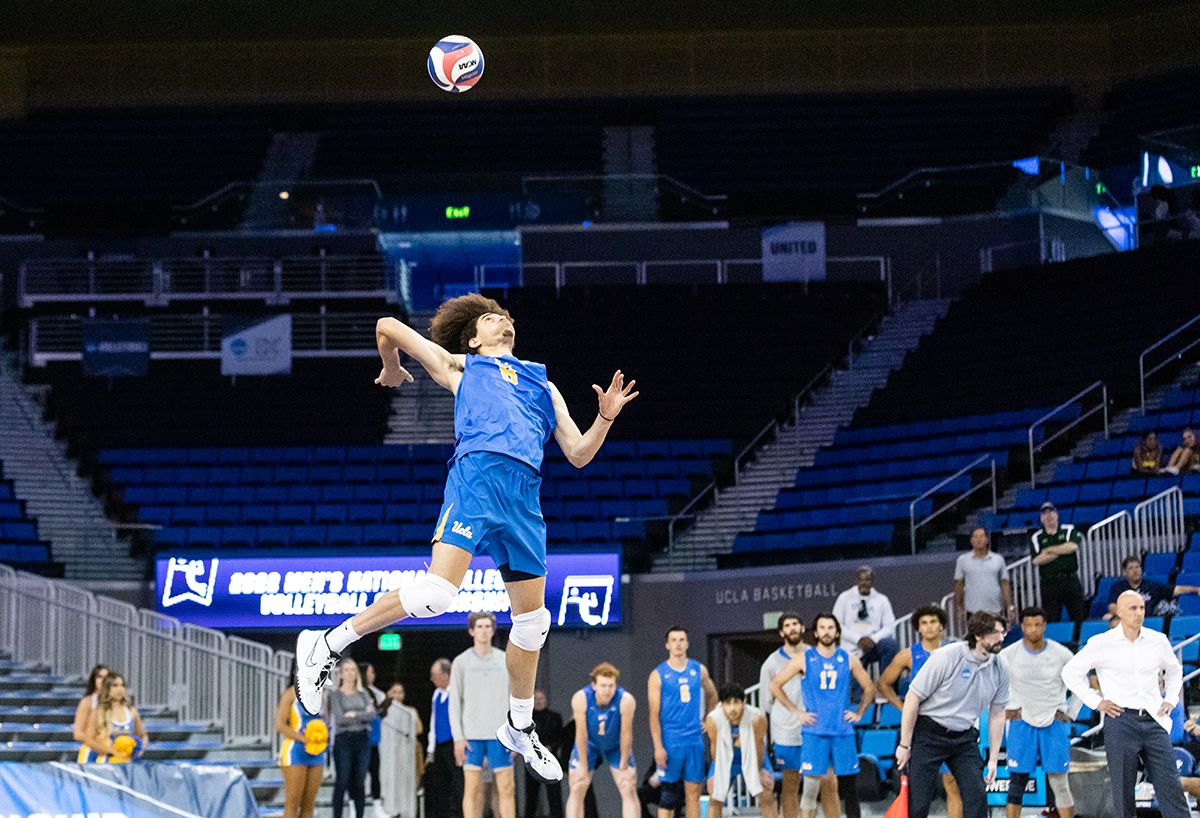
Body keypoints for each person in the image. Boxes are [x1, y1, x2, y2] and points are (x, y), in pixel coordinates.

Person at [296, 293, 638, 786]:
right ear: (475, 337)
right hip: (476, 482)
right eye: (491, 319)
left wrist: (604, 417)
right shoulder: (463, 368)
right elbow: (387, 324)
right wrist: (391, 367)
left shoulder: (546, 386)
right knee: (437, 594)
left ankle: (518, 725)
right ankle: (326, 644)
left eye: (507, 319)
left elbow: (580, 453)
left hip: (523, 498)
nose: (504, 323)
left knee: (533, 623)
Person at [1061, 590, 1189, 818]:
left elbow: (1174, 670)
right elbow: (1070, 672)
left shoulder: (1157, 640)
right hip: (1120, 720)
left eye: (1141, 607)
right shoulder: (1102, 642)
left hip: (1153, 719)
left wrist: (1170, 698)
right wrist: (1096, 702)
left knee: (1171, 786)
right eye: (1133, 608)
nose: (1139, 613)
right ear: (1119, 612)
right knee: (1122, 792)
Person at [894, 612, 1009, 818]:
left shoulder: (1001, 666)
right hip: (929, 733)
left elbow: (998, 713)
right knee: (918, 804)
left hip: (964, 737)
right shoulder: (947, 656)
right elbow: (913, 697)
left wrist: (992, 759)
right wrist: (905, 744)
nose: (1001, 638)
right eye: (995, 633)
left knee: (977, 797)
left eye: (1003, 632)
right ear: (978, 636)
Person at [769, 613, 873, 818]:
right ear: (815, 633)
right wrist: (796, 712)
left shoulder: (849, 659)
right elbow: (775, 685)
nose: (827, 632)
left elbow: (870, 687)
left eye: (831, 628)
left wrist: (859, 713)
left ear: (837, 632)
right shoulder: (804, 659)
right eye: (823, 628)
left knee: (850, 790)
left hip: (842, 731)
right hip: (815, 732)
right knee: (809, 791)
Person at [876, 605, 961, 818]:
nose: (929, 626)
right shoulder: (907, 656)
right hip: (920, 729)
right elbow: (884, 683)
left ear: (941, 626)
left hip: (949, 725)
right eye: (924, 623)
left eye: (933, 622)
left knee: (952, 784)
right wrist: (903, 708)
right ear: (918, 628)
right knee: (918, 790)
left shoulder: (955, 652)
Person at [999, 607, 1078, 818]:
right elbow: (991, 685)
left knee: (1059, 782)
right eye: (1029, 625)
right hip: (1021, 723)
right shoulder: (1007, 655)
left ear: (1044, 626)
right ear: (1022, 627)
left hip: (1054, 722)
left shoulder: (1062, 654)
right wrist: (1005, 709)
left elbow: (1081, 683)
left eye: (1038, 625)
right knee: (1017, 783)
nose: (1033, 630)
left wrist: (1070, 713)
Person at [758, 613, 838, 818]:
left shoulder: (817, 654)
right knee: (791, 783)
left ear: (803, 629)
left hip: (818, 728)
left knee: (828, 780)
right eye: (787, 625)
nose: (792, 628)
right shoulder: (771, 663)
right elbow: (766, 704)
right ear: (781, 632)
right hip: (787, 731)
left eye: (795, 624)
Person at [648, 625, 718, 818]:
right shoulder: (658, 674)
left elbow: (713, 696)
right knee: (668, 796)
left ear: (687, 643)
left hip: (694, 740)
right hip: (671, 740)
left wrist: (707, 718)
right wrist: (658, 747)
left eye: (681, 640)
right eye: (674, 640)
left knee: (694, 792)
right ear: (667, 645)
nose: (678, 644)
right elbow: (653, 715)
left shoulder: (699, 670)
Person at [451, 611, 515, 818]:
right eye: (479, 626)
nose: (484, 630)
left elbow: (515, 699)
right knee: (472, 789)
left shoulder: (505, 659)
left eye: (488, 626)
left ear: (493, 630)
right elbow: (455, 703)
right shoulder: (460, 662)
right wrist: (458, 738)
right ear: (471, 630)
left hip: (500, 735)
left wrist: (516, 736)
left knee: (506, 788)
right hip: (472, 735)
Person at [567, 663, 638, 818]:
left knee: (627, 785)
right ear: (594, 685)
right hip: (590, 744)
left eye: (611, 686)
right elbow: (581, 734)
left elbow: (626, 733)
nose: (607, 690)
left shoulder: (626, 700)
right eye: (603, 685)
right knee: (578, 784)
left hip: (615, 744)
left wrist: (624, 762)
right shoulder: (581, 698)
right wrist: (583, 766)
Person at [703, 685, 776, 818]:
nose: (732, 708)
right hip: (724, 759)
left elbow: (759, 747)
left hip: (754, 757)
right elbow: (715, 753)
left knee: (766, 793)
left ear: (744, 703)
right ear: (722, 705)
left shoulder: (757, 718)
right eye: (728, 703)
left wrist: (759, 771)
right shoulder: (713, 719)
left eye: (736, 702)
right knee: (714, 795)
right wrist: (716, 776)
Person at [830, 566, 898, 686]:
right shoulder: (844, 598)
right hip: (852, 647)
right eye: (861, 580)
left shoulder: (882, 600)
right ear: (857, 580)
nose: (864, 583)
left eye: (867, 580)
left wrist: (873, 639)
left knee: (890, 644)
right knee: (856, 695)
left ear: (872, 581)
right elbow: (836, 624)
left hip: (873, 645)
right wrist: (858, 639)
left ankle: (887, 686)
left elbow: (889, 626)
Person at [329, 659, 376, 818]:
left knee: (360, 782)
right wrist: (361, 715)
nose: (351, 673)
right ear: (341, 674)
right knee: (342, 780)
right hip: (344, 740)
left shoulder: (364, 694)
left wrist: (354, 714)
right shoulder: (335, 695)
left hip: (362, 739)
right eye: (347, 670)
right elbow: (340, 719)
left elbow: (372, 715)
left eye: (353, 670)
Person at [276, 678, 326, 818]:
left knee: (309, 804)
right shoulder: (290, 694)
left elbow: (323, 720)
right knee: (293, 803)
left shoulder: (321, 694)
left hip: (316, 752)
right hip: (295, 751)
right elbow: (280, 725)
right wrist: (303, 738)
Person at [1030, 502, 1086, 624]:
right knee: (1051, 617)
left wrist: (1049, 550)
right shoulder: (1036, 537)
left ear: (1057, 514)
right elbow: (1037, 560)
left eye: (1051, 512)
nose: (1049, 515)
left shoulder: (1069, 529)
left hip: (1070, 579)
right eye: (1045, 513)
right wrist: (1062, 550)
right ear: (1041, 518)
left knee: (1079, 615)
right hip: (1049, 583)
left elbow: (1073, 546)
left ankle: (1079, 641)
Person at [77, 672, 149, 764]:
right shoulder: (98, 712)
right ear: (107, 688)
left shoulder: (131, 712)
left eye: (122, 685)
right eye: (115, 685)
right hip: (98, 759)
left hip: (123, 760)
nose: (120, 689)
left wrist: (140, 749)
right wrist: (112, 751)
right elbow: (89, 740)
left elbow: (143, 735)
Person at [1105, 555, 1200, 620]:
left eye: (1137, 567)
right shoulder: (1118, 587)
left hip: (1149, 621)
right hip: (1127, 621)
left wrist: (1196, 589)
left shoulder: (1151, 586)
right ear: (1125, 572)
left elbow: (1177, 589)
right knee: (1107, 617)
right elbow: (1112, 607)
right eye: (1131, 568)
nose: (1135, 571)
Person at [427, 657, 465, 818]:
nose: (432, 679)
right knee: (441, 785)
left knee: (459, 784)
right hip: (440, 745)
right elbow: (433, 722)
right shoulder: (436, 694)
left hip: (455, 743)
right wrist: (430, 750)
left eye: (434, 675)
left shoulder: (458, 691)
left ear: (446, 674)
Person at [380, 682, 423, 818]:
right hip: (389, 755)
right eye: (394, 692)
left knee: (408, 787)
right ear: (388, 694)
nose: (398, 695)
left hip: (408, 754)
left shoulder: (410, 711)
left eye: (400, 692)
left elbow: (419, 729)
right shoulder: (383, 713)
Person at [953, 528, 1015, 621]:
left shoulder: (998, 559)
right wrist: (959, 605)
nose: (979, 539)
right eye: (975, 536)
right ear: (971, 540)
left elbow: (1004, 583)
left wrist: (1010, 606)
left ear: (987, 539)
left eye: (982, 536)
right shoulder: (962, 560)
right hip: (973, 610)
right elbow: (959, 584)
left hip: (995, 609)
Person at [526, 690, 564, 818]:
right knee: (531, 794)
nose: (539, 701)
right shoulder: (527, 719)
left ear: (545, 700)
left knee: (554, 794)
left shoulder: (555, 717)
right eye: (536, 699)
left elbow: (560, 737)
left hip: (551, 759)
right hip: (532, 760)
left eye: (541, 698)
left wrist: (549, 748)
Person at [363, 662, 387, 817]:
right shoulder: (359, 692)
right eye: (370, 672)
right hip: (361, 740)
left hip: (374, 740)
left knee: (375, 774)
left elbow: (377, 712)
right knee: (359, 777)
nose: (373, 675)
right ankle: (358, 808)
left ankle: (378, 808)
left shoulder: (373, 692)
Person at [72, 664, 109, 749]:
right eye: (100, 677)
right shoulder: (87, 702)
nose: (103, 680)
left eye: (106, 677)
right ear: (94, 680)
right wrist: (99, 745)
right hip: (91, 751)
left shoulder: (116, 703)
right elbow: (77, 734)